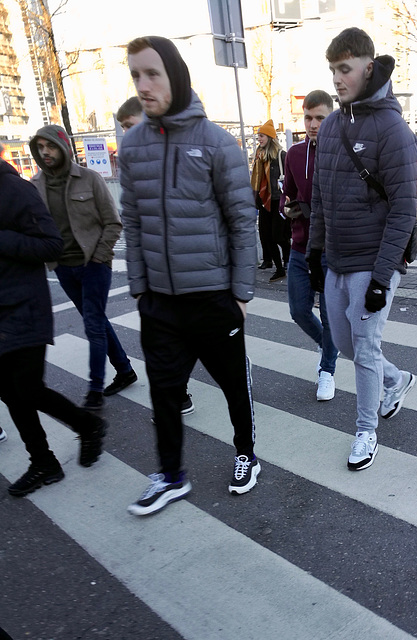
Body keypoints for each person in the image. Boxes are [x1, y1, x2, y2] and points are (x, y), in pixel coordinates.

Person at [119, 36, 259, 515]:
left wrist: (240, 293)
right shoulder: (133, 145)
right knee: (163, 393)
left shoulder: (217, 144)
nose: (142, 84)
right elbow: (132, 221)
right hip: (160, 302)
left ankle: (247, 454)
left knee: (233, 386)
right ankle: (171, 475)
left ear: (175, 75)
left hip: (213, 298)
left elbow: (243, 219)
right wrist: (140, 289)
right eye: (135, 74)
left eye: (152, 73)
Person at [308, 27, 417, 471]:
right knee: (346, 345)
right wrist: (315, 252)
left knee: (365, 349)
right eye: (333, 69)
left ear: (368, 67)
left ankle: (365, 432)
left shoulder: (392, 128)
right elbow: (320, 195)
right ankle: (399, 380)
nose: (337, 79)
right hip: (336, 259)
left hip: (372, 262)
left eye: (345, 69)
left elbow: (405, 210)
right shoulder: (332, 124)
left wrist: (381, 277)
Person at [0, 144, 106, 497]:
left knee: (27, 389)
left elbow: (49, 245)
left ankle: (87, 424)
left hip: (23, 305)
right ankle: (43, 461)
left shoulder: (13, 188)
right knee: (10, 393)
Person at [29, 126, 137, 410]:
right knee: (97, 320)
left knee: (92, 325)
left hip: (93, 264)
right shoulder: (35, 184)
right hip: (63, 267)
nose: (45, 152)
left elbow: (113, 221)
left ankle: (94, 390)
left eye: (49, 146)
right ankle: (125, 370)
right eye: (40, 147)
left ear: (62, 147)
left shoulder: (89, 179)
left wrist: (100, 257)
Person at [115, 97, 195, 418]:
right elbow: (131, 219)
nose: (127, 135)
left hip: (192, 267)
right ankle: (178, 393)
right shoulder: (134, 161)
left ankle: (182, 390)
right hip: (158, 272)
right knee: (172, 340)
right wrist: (138, 280)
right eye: (123, 129)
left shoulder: (179, 150)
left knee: (192, 336)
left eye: (130, 126)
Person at [279, 90, 339, 402]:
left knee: (331, 317)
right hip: (300, 247)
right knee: (299, 311)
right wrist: (285, 208)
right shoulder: (293, 154)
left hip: (331, 250)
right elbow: (285, 193)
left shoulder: (341, 153)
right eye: (308, 117)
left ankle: (326, 369)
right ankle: (328, 345)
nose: (313, 124)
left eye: (320, 118)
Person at [250, 120, 289, 281]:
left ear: (270, 137)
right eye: (258, 135)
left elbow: (290, 178)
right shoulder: (259, 156)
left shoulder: (281, 155)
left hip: (277, 201)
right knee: (266, 237)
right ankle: (279, 268)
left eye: (262, 136)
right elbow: (256, 179)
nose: (259, 139)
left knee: (279, 236)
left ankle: (289, 259)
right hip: (263, 202)